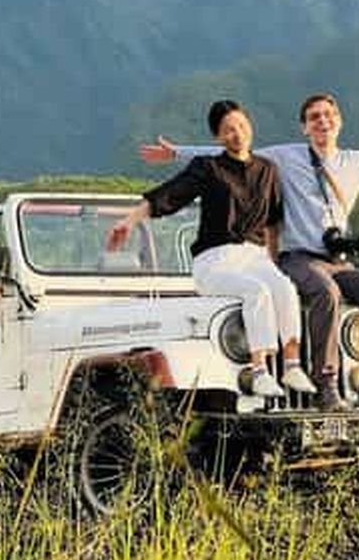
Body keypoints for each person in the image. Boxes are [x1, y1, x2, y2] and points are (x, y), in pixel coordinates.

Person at [140, 92, 359, 412]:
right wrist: (176, 153)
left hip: (337, 260)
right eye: (314, 117)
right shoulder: (285, 157)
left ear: (339, 121)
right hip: (298, 258)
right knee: (326, 293)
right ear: (304, 127)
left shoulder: (358, 163)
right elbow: (231, 149)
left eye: (328, 115)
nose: (322, 122)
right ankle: (326, 387)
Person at [107, 99, 316, 400]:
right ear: (218, 137)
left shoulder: (268, 170)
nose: (238, 134)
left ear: (250, 127)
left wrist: (273, 262)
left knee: (282, 286)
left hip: (254, 255)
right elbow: (170, 195)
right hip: (214, 260)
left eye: (242, 126)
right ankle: (259, 371)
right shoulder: (208, 167)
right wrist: (129, 220)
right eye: (229, 130)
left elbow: (272, 224)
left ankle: (292, 365)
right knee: (256, 291)